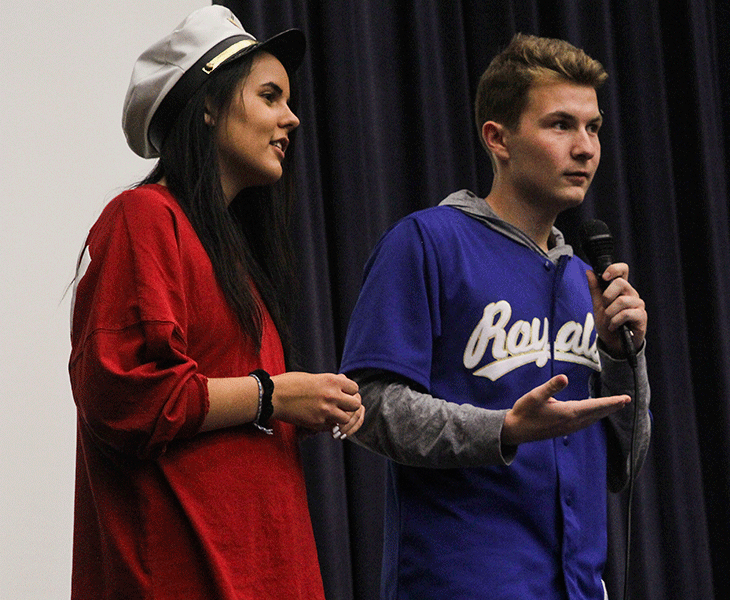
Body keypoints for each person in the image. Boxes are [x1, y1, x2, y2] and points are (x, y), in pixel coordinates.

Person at [340, 33, 651, 599]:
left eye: (594, 127)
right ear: (498, 138)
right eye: (561, 124)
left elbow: (621, 464)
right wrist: (502, 428)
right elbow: (367, 404)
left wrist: (620, 356)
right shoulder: (426, 243)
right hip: (462, 583)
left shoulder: (586, 279)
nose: (585, 147)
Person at [68, 6, 364, 599]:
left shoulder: (231, 258)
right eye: (270, 96)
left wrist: (304, 405)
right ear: (207, 104)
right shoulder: (144, 218)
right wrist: (276, 393)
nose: (293, 117)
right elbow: (125, 393)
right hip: (183, 577)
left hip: (267, 573)